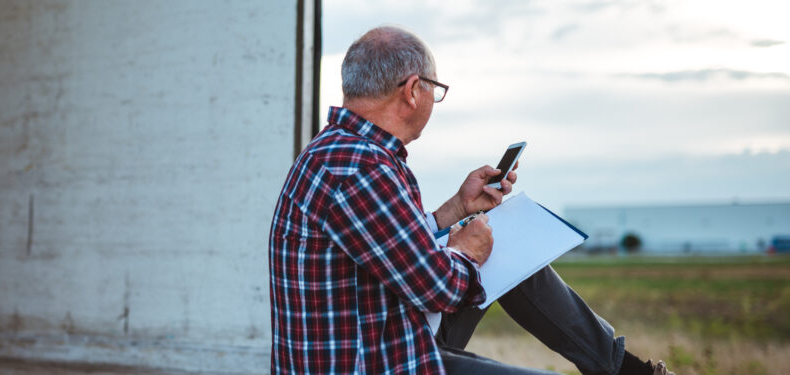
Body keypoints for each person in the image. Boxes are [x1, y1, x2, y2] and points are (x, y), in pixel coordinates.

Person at [268, 26, 674, 375]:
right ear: (413, 91)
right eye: (435, 90)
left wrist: (458, 210)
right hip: (380, 359)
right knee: (485, 247)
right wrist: (465, 251)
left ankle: (622, 369)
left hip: (386, 334)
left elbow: (388, 245)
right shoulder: (358, 166)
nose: (434, 101)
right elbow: (436, 288)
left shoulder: (345, 152)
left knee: (501, 242)